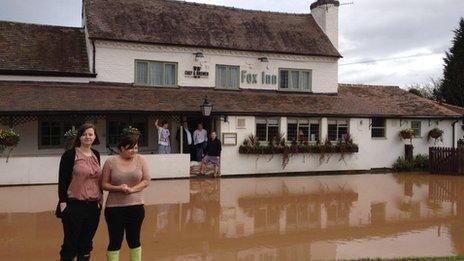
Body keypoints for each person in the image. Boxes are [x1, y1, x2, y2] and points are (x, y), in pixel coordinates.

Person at [56, 123, 102, 261]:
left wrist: (100, 201)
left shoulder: (96, 155)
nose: (87, 137)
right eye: (84, 134)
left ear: (95, 137)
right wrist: (63, 203)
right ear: (79, 137)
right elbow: (62, 180)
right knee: (70, 243)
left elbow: (97, 180)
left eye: (90, 134)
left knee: (86, 243)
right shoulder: (70, 155)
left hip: (93, 206)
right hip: (74, 205)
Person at [102, 134, 150, 261]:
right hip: (114, 209)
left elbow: (146, 181)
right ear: (121, 148)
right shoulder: (110, 162)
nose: (134, 151)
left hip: (136, 207)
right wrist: (119, 188)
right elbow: (104, 184)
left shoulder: (141, 160)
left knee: (134, 240)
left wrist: (132, 190)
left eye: (136, 148)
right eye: (130, 148)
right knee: (115, 241)